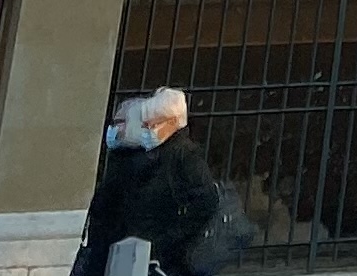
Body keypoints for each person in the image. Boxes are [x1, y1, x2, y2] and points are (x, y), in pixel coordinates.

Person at [72, 93, 236, 276]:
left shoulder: (181, 157)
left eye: (152, 124)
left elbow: (203, 202)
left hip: (151, 255)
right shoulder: (130, 159)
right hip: (127, 250)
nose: (149, 129)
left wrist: (166, 242)